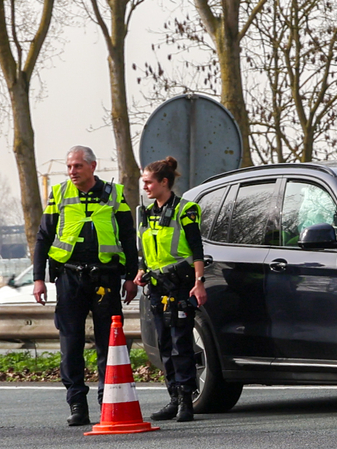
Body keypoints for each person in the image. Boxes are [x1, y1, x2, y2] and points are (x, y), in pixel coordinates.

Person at [32, 146, 138, 426]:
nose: (72, 171)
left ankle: (108, 401)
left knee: (109, 343)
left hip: (106, 278)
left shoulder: (114, 195)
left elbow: (128, 236)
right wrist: (38, 278)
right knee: (71, 343)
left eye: (78, 166)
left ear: (93, 166)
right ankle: (77, 403)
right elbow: (43, 237)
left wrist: (131, 275)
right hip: (69, 277)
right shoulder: (59, 194)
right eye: (69, 167)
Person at [134, 156, 207, 422]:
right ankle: (173, 398)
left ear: (164, 182)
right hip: (156, 287)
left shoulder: (184, 209)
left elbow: (197, 249)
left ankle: (187, 400)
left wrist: (199, 282)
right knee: (164, 344)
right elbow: (144, 250)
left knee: (181, 345)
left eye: (149, 182)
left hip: (180, 286)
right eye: (144, 183)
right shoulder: (145, 213)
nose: (146, 187)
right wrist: (141, 272)